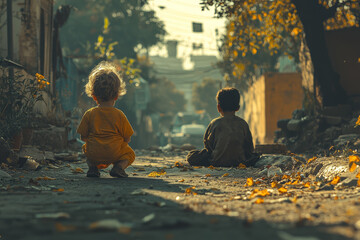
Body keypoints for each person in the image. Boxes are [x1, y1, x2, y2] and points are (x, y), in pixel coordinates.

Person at [77, 61, 135, 178]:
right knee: (130, 153)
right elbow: (127, 138)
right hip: (114, 153)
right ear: (116, 96)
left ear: (94, 96)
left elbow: (83, 137)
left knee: (85, 148)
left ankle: (92, 168)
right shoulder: (119, 115)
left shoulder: (89, 114)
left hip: (94, 154)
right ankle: (118, 168)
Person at [186, 87, 259, 167]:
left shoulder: (215, 123)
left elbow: (208, 145)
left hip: (215, 162)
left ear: (218, 107)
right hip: (241, 162)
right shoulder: (243, 124)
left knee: (191, 156)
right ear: (238, 108)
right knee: (256, 156)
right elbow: (249, 147)